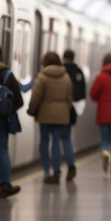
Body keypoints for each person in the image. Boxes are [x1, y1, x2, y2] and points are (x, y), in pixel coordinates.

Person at [27, 52, 73, 184]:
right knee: (56, 142)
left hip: (45, 114)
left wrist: (31, 110)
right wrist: (64, 109)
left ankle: (47, 170)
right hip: (61, 114)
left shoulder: (42, 77)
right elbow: (69, 98)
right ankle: (57, 171)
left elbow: (36, 97)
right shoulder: (66, 77)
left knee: (44, 141)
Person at [0, 40, 24, 198]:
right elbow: (19, 101)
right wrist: (5, 110)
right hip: (2, 120)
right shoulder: (7, 74)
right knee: (2, 150)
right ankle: (5, 186)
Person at [62, 49, 86, 179]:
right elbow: (82, 93)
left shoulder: (61, 71)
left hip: (59, 110)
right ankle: (71, 165)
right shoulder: (78, 71)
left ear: (63, 57)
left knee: (54, 138)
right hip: (72, 110)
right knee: (67, 138)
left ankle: (54, 170)